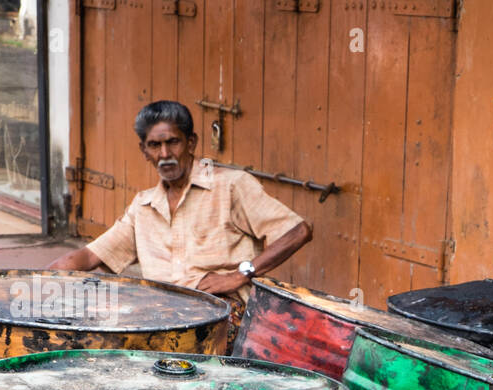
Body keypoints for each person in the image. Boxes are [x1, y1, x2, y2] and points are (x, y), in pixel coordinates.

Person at [49, 100, 311, 346]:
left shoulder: (230, 186)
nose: (165, 154)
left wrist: (242, 273)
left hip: (222, 313)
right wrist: (35, 284)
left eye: (173, 142)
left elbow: (298, 231)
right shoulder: (144, 207)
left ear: (191, 142)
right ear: (144, 151)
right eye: (154, 145)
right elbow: (86, 257)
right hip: (160, 314)